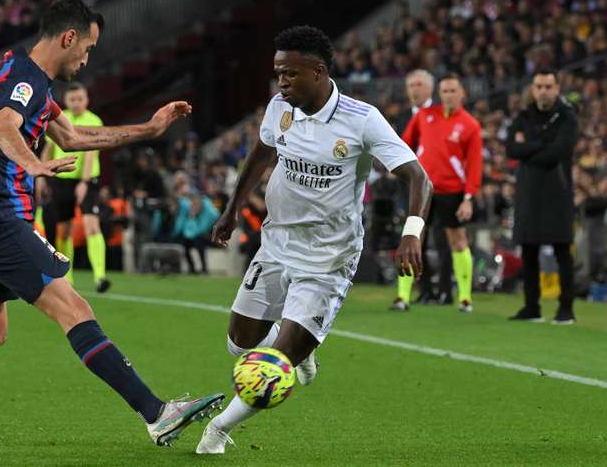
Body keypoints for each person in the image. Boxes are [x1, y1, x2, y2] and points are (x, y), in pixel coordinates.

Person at [0, 0, 222, 455]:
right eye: (88, 47)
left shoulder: (18, 71)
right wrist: (33, 166)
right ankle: (157, 414)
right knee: (75, 310)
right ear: (68, 38)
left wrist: (149, 129)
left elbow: (74, 137)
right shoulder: (26, 81)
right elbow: (5, 128)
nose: (87, 57)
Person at [196, 26, 431, 454]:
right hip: (277, 245)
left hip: (328, 258)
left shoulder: (362, 119)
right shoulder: (278, 108)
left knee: (270, 368)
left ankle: (218, 431)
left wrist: (411, 233)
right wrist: (232, 209)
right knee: (240, 343)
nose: (280, 82)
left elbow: (418, 176)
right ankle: (302, 350)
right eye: (277, 73)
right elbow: (263, 153)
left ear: (318, 72)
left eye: (289, 74)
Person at [394, 73, 482, 313]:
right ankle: (403, 296)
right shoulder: (424, 116)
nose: (449, 95)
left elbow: (474, 164)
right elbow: (403, 143)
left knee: (457, 240)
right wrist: (403, 169)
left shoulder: (470, 124)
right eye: (445, 91)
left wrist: (468, 198)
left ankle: (464, 298)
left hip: (452, 191)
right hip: (423, 189)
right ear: (439, 94)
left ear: (462, 93)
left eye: (453, 91)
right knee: (413, 238)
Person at [505, 68, 579, 324]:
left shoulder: (567, 116)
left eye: (548, 86)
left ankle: (566, 309)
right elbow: (511, 149)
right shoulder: (524, 115)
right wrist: (540, 145)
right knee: (528, 251)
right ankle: (531, 307)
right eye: (539, 86)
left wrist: (528, 146)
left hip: (557, 192)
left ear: (557, 88)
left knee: (562, 251)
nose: (543, 91)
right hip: (528, 192)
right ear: (533, 89)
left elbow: (558, 151)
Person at [42, 83, 111, 292]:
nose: (77, 103)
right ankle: (67, 278)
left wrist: (84, 182)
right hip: (62, 180)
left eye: (80, 99)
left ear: (87, 99)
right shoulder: (59, 120)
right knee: (64, 231)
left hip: (88, 181)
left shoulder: (94, 121)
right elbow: (49, 148)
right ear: (66, 101)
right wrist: (42, 174)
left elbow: (91, 154)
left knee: (92, 225)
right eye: (73, 99)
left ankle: (100, 277)